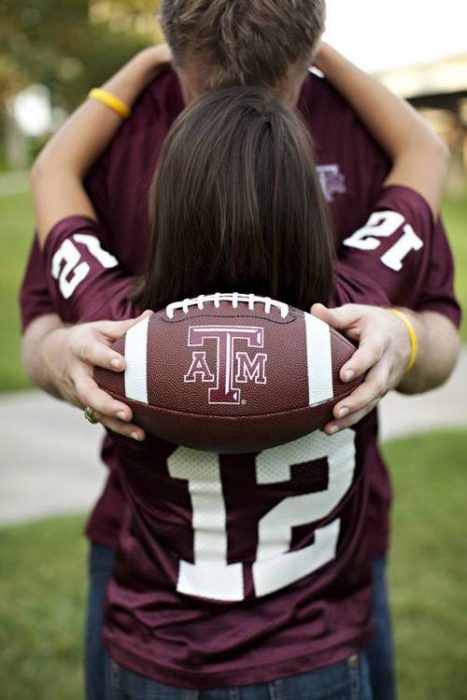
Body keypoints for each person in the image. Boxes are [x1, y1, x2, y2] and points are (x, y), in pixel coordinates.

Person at [20, 2, 461, 698]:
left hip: (154, 641)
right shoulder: (352, 312)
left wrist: (138, 63)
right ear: (317, 214)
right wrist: (327, 54)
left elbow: (51, 174)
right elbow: (426, 153)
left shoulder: (119, 329)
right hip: (315, 639)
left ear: (161, 206)